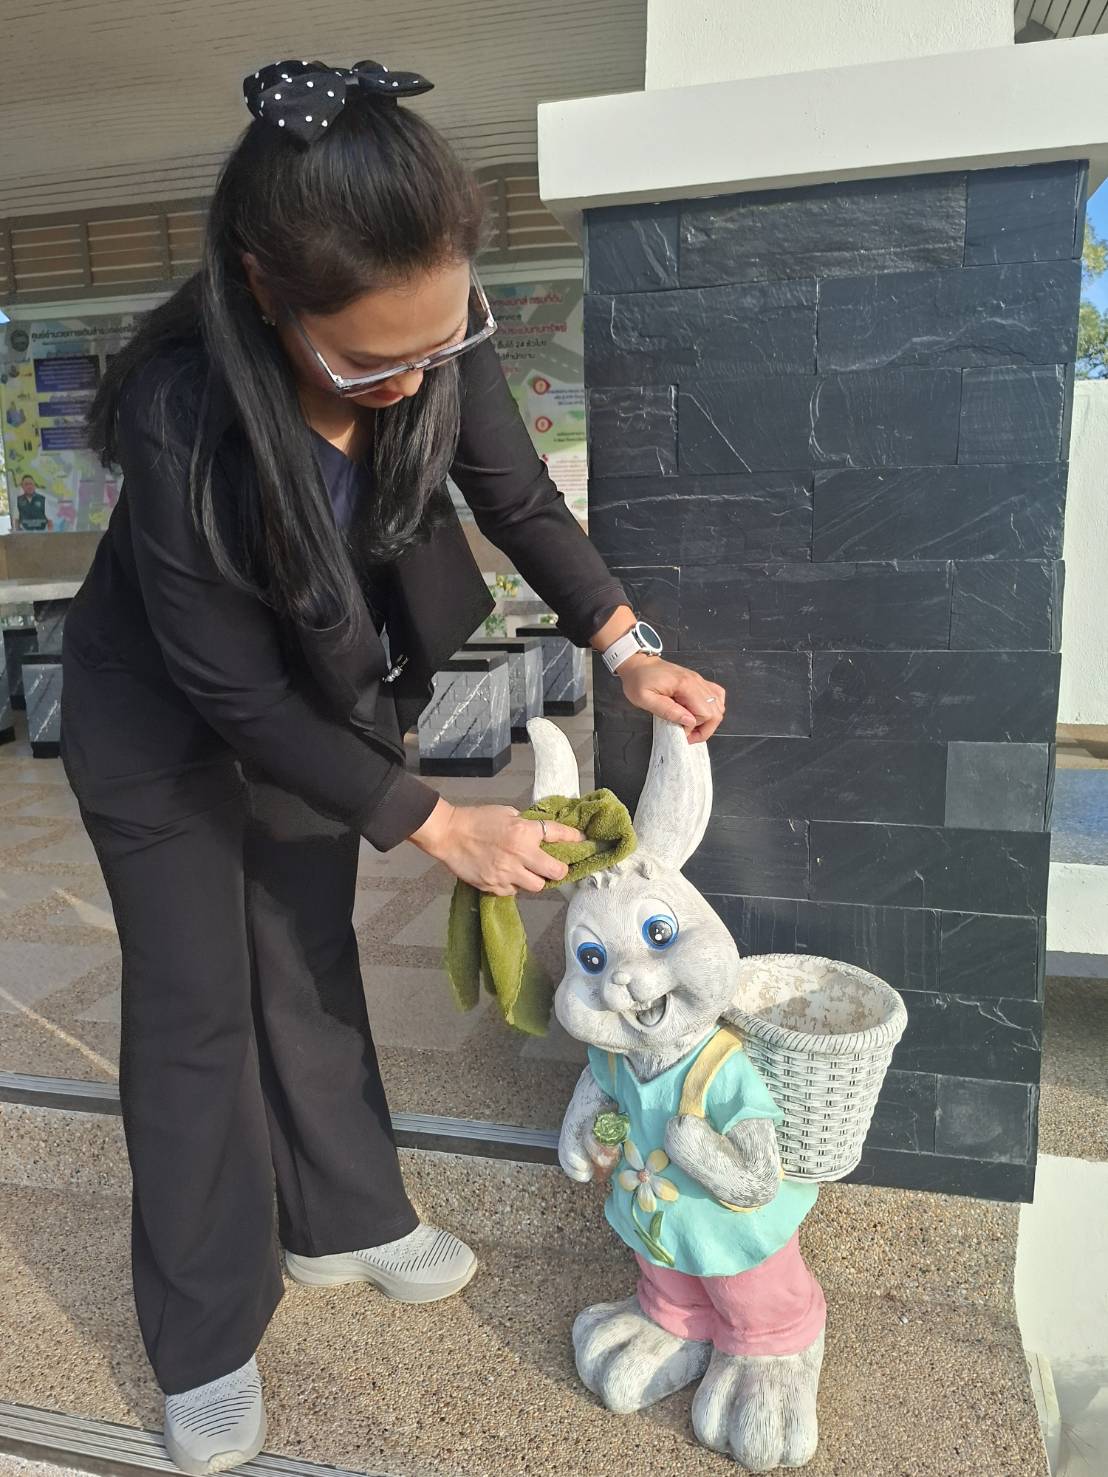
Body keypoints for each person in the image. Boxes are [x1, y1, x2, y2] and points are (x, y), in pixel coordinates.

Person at [60, 56, 727, 1476]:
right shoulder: (183, 410)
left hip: (318, 688)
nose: (417, 377)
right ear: (265, 289)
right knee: (196, 1008)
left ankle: (346, 1216)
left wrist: (626, 646)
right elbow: (228, 688)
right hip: (163, 723)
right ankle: (205, 1336)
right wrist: (436, 825)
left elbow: (516, 493)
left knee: (306, 951)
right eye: (373, 364)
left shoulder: (432, 321)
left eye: (443, 340)